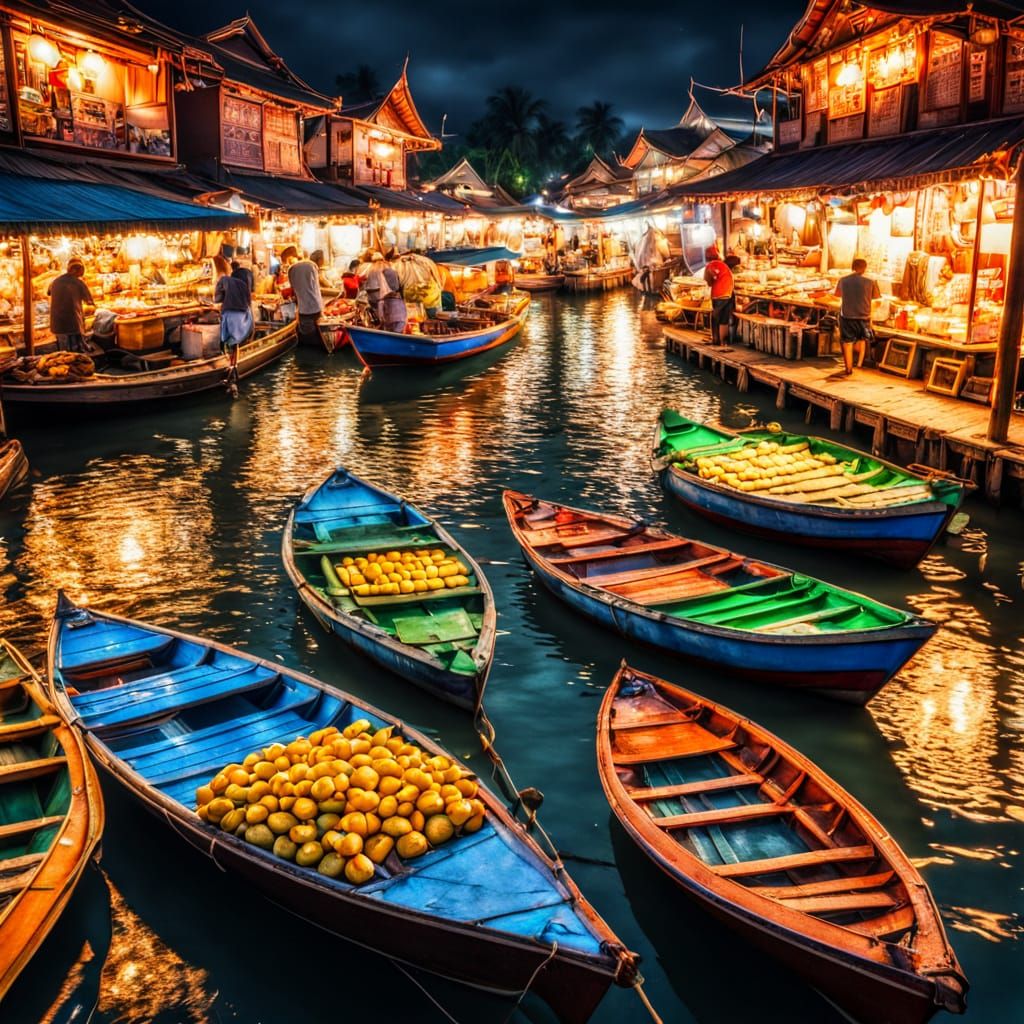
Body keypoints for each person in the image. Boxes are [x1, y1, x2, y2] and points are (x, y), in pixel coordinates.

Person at [835, 258, 881, 376]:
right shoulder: (871, 281)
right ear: (865, 268)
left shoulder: (843, 280)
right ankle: (859, 364)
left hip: (847, 316)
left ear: (852, 267)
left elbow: (837, 294)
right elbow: (877, 299)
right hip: (864, 317)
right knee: (862, 339)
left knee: (847, 342)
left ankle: (848, 368)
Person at [48, 258, 94, 352]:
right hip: (72, 322)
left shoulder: (55, 281)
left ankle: (75, 349)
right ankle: (80, 349)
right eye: (81, 271)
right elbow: (90, 302)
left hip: (57, 322)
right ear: (75, 270)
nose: (82, 274)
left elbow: (48, 292)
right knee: (75, 344)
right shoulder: (78, 283)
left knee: (63, 348)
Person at [215, 261, 253, 374]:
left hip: (228, 313)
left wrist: (218, 301)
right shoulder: (244, 285)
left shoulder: (225, 280)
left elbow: (218, 296)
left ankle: (228, 362)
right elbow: (248, 303)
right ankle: (233, 364)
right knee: (235, 341)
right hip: (239, 314)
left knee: (225, 339)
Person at [287, 250, 324, 343]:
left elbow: (293, 289)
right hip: (316, 307)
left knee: (307, 335)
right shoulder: (312, 266)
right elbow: (316, 287)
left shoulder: (291, 269)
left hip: (304, 309)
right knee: (316, 335)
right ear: (319, 260)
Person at [703, 246, 734, 344]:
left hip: (719, 294)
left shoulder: (709, 266)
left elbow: (709, 281)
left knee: (715, 317)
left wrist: (710, 283)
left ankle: (715, 340)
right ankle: (723, 340)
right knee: (724, 317)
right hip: (729, 293)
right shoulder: (724, 265)